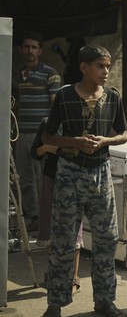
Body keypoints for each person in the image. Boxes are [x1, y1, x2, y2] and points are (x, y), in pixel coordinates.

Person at [41, 45, 127, 317]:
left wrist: (106, 141)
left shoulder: (113, 97)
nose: (106, 72)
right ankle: (55, 303)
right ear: (84, 67)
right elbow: (47, 138)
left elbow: (124, 133)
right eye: (100, 66)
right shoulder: (65, 96)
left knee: (107, 238)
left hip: (100, 173)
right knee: (63, 240)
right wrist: (75, 142)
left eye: (108, 66)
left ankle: (104, 300)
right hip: (69, 172)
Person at [13, 30, 62, 231]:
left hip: (41, 136)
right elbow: (15, 105)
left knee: (44, 179)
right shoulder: (18, 75)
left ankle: (46, 219)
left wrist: (51, 137)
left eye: (34, 47)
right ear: (21, 49)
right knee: (25, 179)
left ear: (40, 51)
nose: (30, 50)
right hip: (21, 134)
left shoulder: (51, 74)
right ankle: (33, 217)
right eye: (26, 47)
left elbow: (56, 107)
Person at [31, 117, 84, 294]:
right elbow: (34, 152)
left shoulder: (80, 122)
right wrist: (47, 148)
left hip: (74, 180)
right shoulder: (47, 123)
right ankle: (53, 274)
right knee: (50, 226)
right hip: (51, 178)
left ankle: (73, 277)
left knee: (75, 228)